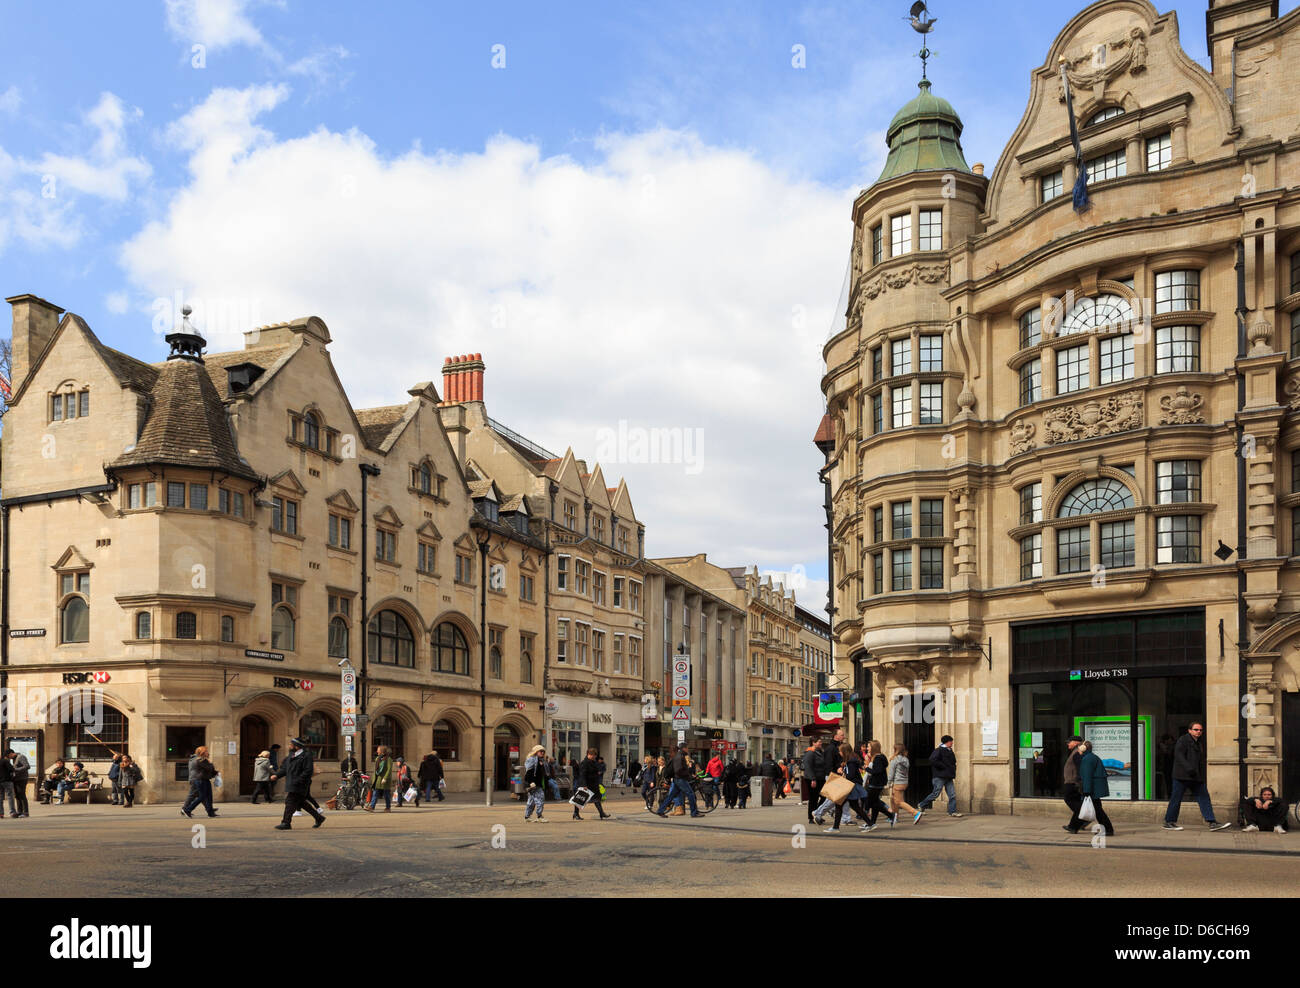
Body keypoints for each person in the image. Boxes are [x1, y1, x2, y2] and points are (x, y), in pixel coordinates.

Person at [1163, 722, 1230, 831]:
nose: (1198, 732)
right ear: (1190, 730)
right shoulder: (1183, 740)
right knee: (1176, 799)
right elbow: (1179, 756)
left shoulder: (1199, 742)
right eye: (1196, 729)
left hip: (1195, 777)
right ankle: (1169, 822)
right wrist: (1189, 768)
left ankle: (1212, 822)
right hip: (1182, 776)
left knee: (1204, 797)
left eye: (1200, 730)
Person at [271, 736, 325, 830]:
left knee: (289, 801)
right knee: (301, 803)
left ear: (297, 746)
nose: (289, 746)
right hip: (292, 783)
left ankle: (286, 823)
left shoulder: (306, 755)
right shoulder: (291, 756)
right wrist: (276, 775)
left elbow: (308, 771)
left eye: (291, 744)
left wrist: (298, 780)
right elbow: (284, 769)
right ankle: (319, 818)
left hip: (301, 784)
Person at [824, 743, 872, 833]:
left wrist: (842, 773)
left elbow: (851, 775)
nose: (839, 753)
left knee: (841, 806)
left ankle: (835, 828)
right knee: (854, 807)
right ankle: (870, 824)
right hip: (850, 787)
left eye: (840, 751)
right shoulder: (851, 761)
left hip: (849, 787)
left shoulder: (851, 762)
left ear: (844, 752)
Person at [916, 735, 962, 818]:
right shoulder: (939, 750)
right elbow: (932, 760)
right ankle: (921, 804)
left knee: (952, 795)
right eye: (951, 741)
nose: (952, 743)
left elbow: (953, 762)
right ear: (947, 742)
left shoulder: (950, 750)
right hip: (939, 776)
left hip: (948, 776)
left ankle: (952, 811)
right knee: (935, 794)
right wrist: (943, 767)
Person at [1077, 739, 1115, 837]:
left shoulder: (1087, 759)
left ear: (1083, 748)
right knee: (1098, 809)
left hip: (1093, 789)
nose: (1078, 750)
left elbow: (1087, 776)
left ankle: (1108, 829)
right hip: (1095, 788)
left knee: (1098, 810)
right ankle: (1107, 829)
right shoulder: (1091, 757)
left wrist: (1086, 791)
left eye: (1079, 748)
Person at [656, 744, 700, 818]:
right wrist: (687, 775)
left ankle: (660, 810)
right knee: (690, 794)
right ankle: (694, 812)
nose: (688, 750)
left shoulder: (678, 756)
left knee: (671, 796)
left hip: (677, 779)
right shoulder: (679, 757)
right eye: (687, 748)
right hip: (680, 779)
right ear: (684, 748)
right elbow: (678, 769)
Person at [862, 740, 897, 829]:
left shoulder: (878, 758)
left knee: (872, 802)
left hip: (876, 783)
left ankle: (891, 815)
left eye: (869, 746)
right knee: (874, 803)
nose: (867, 748)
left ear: (873, 748)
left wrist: (867, 769)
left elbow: (877, 771)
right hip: (877, 783)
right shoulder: (878, 757)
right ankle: (872, 823)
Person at [573, 747, 612, 820]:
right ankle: (576, 813)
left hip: (594, 784)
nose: (594, 757)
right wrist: (584, 785)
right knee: (581, 799)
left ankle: (601, 813)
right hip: (587, 784)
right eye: (593, 755)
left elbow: (599, 768)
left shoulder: (594, 762)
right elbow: (582, 774)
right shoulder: (584, 763)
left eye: (595, 755)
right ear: (588, 754)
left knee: (597, 799)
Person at [180, 747, 218, 818]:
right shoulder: (199, 760)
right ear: (202, 753)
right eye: (206, 751)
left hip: (206, 779)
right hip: (200, 780)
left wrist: (216, 773)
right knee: (200, 797)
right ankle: (187, 809)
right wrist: (211, 763)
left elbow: (210, 770)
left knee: (209, 797)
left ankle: (210, 812)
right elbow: (208, 768)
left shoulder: (205, 760)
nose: (208, 752)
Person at [888, 743, 922, 824]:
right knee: (892, 799)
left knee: (899, 802)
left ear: (896, 750)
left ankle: (915, 813)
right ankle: (894, 816)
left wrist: (888, 783)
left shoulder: (894, 759)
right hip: (904, 782)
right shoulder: (906, 759)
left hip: (897, 783)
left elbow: (891, 773)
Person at [1061, 734, 1085, 834]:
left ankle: (1083, 818)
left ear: (1076, 742)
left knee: (1070, 800)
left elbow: (1080, 768)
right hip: (1072, 782)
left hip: (1072, 782)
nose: (1068, 744)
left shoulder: (1077, 753)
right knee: (1076, 803)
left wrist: (1078, 781)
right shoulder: (1075, 752)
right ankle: (1074, 825)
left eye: (1069, 742)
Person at [523, 744, 548, 822]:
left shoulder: (542, 761)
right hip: (533, 784)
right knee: (540, 798)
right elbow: (528, 772)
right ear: (536, 751)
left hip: (538, 783)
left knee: (531, 801)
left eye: (543, 751)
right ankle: (539, 816)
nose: (542, 753)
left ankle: (527, 816)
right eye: (541, 751)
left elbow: (543, 774)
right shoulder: (532, 760)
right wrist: (531, 782)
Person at [366, 745, 394, 811]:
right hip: (378, 779)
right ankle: (372, 807)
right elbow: (376, 769)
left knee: (386, 794)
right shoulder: (377, 758)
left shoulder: (388, 759)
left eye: (378, 750)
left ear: (382, 751)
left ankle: (388, 807)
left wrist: (385, 778)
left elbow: (389, 770)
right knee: (375, 793)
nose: (377, 751)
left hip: (384, 780)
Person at [801, 742, 823, 822]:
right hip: (813, 779)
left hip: (820, 778)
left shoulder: (819, 752)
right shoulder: (810, 753)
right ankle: (811, 817)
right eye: (819, 742)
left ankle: (816, 813)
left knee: (823, 797)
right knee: (813, 798)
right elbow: (808, 767)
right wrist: (813, 779)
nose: (821, 743)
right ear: (814, 743)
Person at [9, 748, 30, 817]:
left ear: (12, 753)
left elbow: (27, 766)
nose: (9, 758)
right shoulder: (14, 759)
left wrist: (15, 769)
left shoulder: (21, 757)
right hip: (17, 779)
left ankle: (25, 812)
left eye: (9, 756)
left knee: (22, 794)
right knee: (17, 795)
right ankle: (19, 811)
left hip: (22, 779)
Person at [0, 752, 15, 818]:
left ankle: (1, 813)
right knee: (10, 797)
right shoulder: (5, 761)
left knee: (0, 798)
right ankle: (12, 812)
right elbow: (12, 769)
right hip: (7, 781)